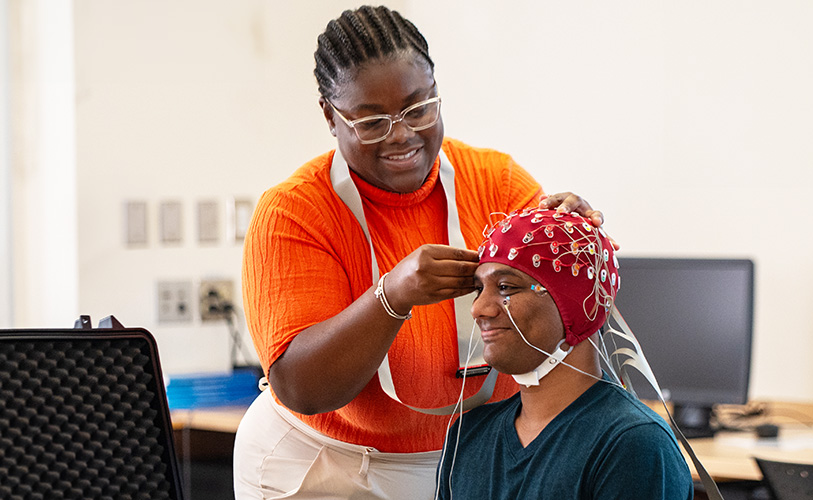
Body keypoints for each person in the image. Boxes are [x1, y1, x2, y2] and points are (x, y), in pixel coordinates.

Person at [232, 6, 606, 499]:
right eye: (371, 121)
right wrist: (392, 296)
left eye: (418, 109)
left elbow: (566, 318)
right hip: (323, 466)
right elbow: (302, 389)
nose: (401, 134)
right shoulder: (294, 212)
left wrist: (575, 245)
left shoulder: (497, 182)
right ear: (330, 116)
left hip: (466, 460)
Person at [436, 208, 694, 500]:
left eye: (505, 287)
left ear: (575, 304)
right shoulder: (469, 435)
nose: (478, 308)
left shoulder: (632, 443)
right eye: (478, 289)